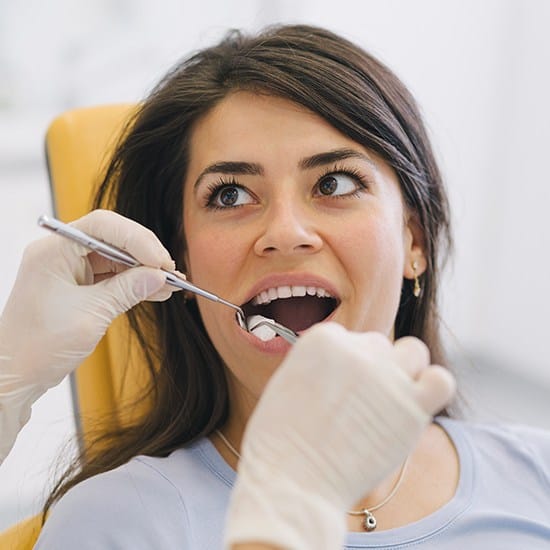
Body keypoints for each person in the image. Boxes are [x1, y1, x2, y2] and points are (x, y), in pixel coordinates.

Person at [0, 24, 548, 549]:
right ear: (181, 260)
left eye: (333, 183)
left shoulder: (538, 472)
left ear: (415, 242)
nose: (285, 233)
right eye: (231, 195)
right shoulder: (116, 524)